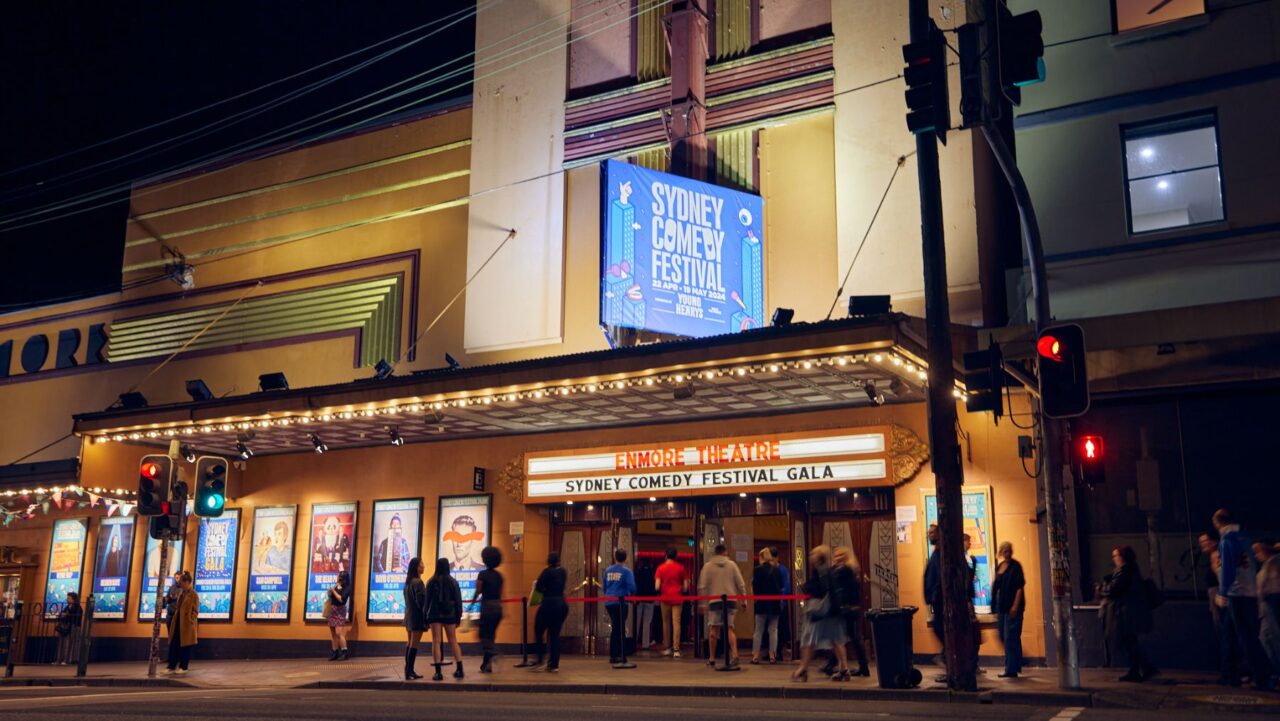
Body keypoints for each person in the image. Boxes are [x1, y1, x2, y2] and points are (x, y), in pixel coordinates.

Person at [1213, 509, 1272, 688]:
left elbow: (1228, 569)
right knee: (1230, 635)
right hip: (1249, 591)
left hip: (1236, 593)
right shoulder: (1245, 537)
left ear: (1218, 522)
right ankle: (1229, 674)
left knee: (1246, 638)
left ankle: (1262, 677)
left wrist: (1222, 592)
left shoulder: (1227, 540)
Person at [792, 545, 849, 681]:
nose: (810, 557)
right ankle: (844, 668)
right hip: (832, 611)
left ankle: (802, 669)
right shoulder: (827, 570)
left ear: (819, 557)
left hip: (820, 611)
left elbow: (820, 589)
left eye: (813, 554)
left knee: (809, 640)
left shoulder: (820, 570)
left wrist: (806, 588)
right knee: (836, 640)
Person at [1100, 545, 1155, 682]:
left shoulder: (1124, 570)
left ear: (1122, 557)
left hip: (1126, 612)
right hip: (1129, 611)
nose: (1114, 558)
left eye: (1115, 555)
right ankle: (1138, 669)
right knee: (1130, 641)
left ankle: (1142, 669)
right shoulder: (1130, 569)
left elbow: (1113, 589)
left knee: (1128, 641)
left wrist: (1101, 587)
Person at [699, 543, 746, 668]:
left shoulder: (708, 566)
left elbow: (702, 586)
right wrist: (744, 600)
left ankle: (712, 658)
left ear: (715, 553)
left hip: (714, 601)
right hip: (730, 600)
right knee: (729, 628)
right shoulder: (732, 565)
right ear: (725, 552)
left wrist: (703, 603)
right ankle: (735, 654)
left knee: (713, 630)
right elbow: (740, 584)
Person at [831, 547, 870, 677]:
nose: (837, 558)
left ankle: (861, 666)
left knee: (845, 637)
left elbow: (837, 583)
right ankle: (862, 666)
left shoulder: (845, 570)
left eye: (840, 555)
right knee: (848, 637)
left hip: (849, 608)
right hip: (851, 608)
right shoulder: (850, 569)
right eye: (836, 555)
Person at [424, 557, 464, 680]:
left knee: (436, 641)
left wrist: (425, 617)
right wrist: (458, 617)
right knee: (453, 641)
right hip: (450, 614)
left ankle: (438, 672)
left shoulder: (431, 581)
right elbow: (458, 601)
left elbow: (427, 601)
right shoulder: (453, 582)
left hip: (434, 614)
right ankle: (460, 669)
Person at [992, 541, 1026, 678]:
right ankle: (1014, 664)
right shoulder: (1000, 566)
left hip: (1013, 608)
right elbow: (996, 587)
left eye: (1009, 550)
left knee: (1010, 637)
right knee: (1002, 635)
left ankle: (1011, 669)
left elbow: (1019, 587)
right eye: (1005, 550)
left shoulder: (1016, 566)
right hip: (1002, 608)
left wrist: (1015, 606)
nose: (1008, 553)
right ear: (1001, 552)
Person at [532, 552, 568, 672]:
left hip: (548, 604)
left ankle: (540, 659)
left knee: (539, 630)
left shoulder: (546, 572)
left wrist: (544, 589)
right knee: (554, 635)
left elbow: (538, 587)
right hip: (561, 605)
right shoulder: (563, 572)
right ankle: (554, 664)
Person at [472, 546, 504, 673]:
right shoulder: (499, 576)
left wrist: (472, 603)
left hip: (487, 607)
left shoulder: (483, 574)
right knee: (490, 635)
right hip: (498, 607)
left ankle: (493, 651)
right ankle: (486, 665)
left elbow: (478, 590)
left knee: (482, 635)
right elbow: (501, 593)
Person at [603, 548, 636, 665]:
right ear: (625, 558)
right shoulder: (627, 571)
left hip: (609, 602)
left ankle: (614, 654)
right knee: (619, 628)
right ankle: (618, 655)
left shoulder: (608, 570)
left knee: (615, 627)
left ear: (615, 557)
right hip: (621, 602)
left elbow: (605, 587)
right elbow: (632, 587)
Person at [1254, 539, 1280, 687]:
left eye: (1259, 551)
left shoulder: (1275, 561)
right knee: (1265, 638)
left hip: (1271, 602)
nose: (1257, 555)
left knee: (1274, 638)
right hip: (1265, 605)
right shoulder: (1267, 564)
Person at [654, 547, 687, 658]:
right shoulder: (681, 568)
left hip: (665, 598)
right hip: (677, 597)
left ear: (666, 555)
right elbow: (685, 586)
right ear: (676, 556)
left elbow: (657, 586)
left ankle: (666, 647)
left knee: (666, 623)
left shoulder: (660, 568)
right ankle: (676, 649)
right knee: (676, 622)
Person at [751, 548, 783, 664]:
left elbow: (755, 587)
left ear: (761, 557)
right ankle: (772, 655)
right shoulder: (777, 570)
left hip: (761, 603)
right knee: (773, 630)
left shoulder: (757, 570)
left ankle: (755, 655)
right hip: (774, 604)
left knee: (758, 630)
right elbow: (780, 586)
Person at [165, 572, 198, 674]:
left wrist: (190, 620)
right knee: (175, 644)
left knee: (185, 646)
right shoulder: (181, 593)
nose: (181, 585)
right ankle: (172, 666)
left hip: (186, 624)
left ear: (187, 582)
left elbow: (195, 610)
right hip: (178, 622)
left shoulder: (193, 595)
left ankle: (183, 667)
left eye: (182, 583)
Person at [402, 557, 426, 680]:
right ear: (416, 567)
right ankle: (410, 670)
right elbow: (421, 602)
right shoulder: (418, 582)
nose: (423, 566)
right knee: (414, 644)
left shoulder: (408, 583)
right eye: (421, 564)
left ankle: (407, 669)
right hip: (417, 617)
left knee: (410, 642)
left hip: (408, 616)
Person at [923, 523, 944, 651]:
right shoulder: (936, 553)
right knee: (938, 627)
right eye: (929, 533)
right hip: (936, 599)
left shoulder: (940, 554)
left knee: (939, 628)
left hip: (940, 599)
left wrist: (935, 594)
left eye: (932, 533)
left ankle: (947, 653)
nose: (929, 535)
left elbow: (940, 575)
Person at [633, 552, 657, 652]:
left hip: (639, 598)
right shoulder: (652, 571)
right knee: (647, 622)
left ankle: (634, 642)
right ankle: (645, 644)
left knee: (637, 621)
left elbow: (635, 584)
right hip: (650, 599)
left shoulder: (637, 571)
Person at [326, 571, 352, 661]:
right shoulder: (337, 585)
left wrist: (334, 591)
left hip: (340, 610)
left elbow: (341, 599)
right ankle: (335, 652)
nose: (338, 578)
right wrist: (331, 591)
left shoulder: (348, 587)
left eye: (340, 577)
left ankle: (344, 652)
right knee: (333, 633)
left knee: (338, 632)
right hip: (333, 609)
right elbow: (330, 596)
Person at [54, 592, 82, 665]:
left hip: (73, 627)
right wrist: (63, 615)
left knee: (70, 644)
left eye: (69, 598)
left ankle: (68, 660)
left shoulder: (78, 607)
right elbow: (62, 614)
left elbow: (76, 618)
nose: (67, 599)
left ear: (74, 599)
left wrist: (67, 615)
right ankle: (59, 659)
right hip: (65, 628)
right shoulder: (67, 607)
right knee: (62, 643)